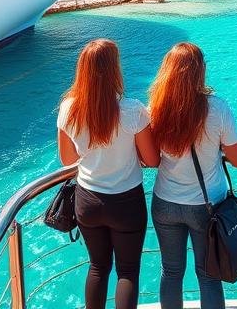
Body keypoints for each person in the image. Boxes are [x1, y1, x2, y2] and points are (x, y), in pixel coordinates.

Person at [148, 42, 237, 309]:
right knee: (208, 276)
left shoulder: (156, 109)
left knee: (171, 273)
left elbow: (149, 158)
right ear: (201, 71)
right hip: (206, 207)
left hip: (165, 203)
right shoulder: (217, 109)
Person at [57, 39, 159, 309]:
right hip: (126, 203)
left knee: (98, 268)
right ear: (114, 69)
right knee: (127, 272)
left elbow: (68, 159)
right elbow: (152, 159)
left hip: (88, 200)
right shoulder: (132, 110)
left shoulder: (69, 108)